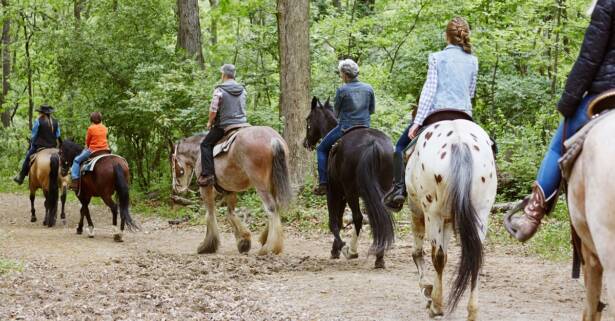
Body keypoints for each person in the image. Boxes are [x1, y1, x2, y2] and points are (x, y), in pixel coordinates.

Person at [507, 0, 615, 241]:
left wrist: (568, 104)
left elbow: (589, 58)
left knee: (558, 144)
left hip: (606, 92)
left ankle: (532, 215)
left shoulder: (608, 3)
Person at [384, 17, 478, 209]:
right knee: (491, 147)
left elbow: (429, 91)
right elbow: (470, 92)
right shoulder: (473, 60)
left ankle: (399, 189)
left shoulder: (436, 57)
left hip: (438, 114)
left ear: (447, 37)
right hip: (464, 116)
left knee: (400, 147)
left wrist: (418, 122)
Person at [313, 59, 376, 196]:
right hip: (365, 128)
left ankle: (323, 183)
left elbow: (336, 113)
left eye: (341, 73)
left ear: (345, 74)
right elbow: (371, 110)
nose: (341, 76)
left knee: (321, 149)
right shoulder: (369, 88)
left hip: (345, 128)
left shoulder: (342, 90)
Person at [197, 64, 248, 187]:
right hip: (243, 125)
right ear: (233, 75)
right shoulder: (243, 90)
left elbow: (213, 109)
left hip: (225, 126)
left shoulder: (219, 90)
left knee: (205, 144)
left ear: (223, 74)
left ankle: (208, 175)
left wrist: (210, 122)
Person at [13, 104, 61, 185]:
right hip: (53, 147)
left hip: (40, 146)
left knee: (28, 157)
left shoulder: (38, 121)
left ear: (42, 113)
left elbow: (34, 135)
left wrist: (32, 144)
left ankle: (21, 177)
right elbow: (58, 135)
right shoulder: (55, 122)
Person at [70, 112, 109, 191]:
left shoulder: (91, 128)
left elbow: (88, 142)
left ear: (91, 119)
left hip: (93, 150)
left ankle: (74, 181)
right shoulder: (105, 127)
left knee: (76, 160)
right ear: (100, 119)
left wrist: (86, 147)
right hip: (105, 150)